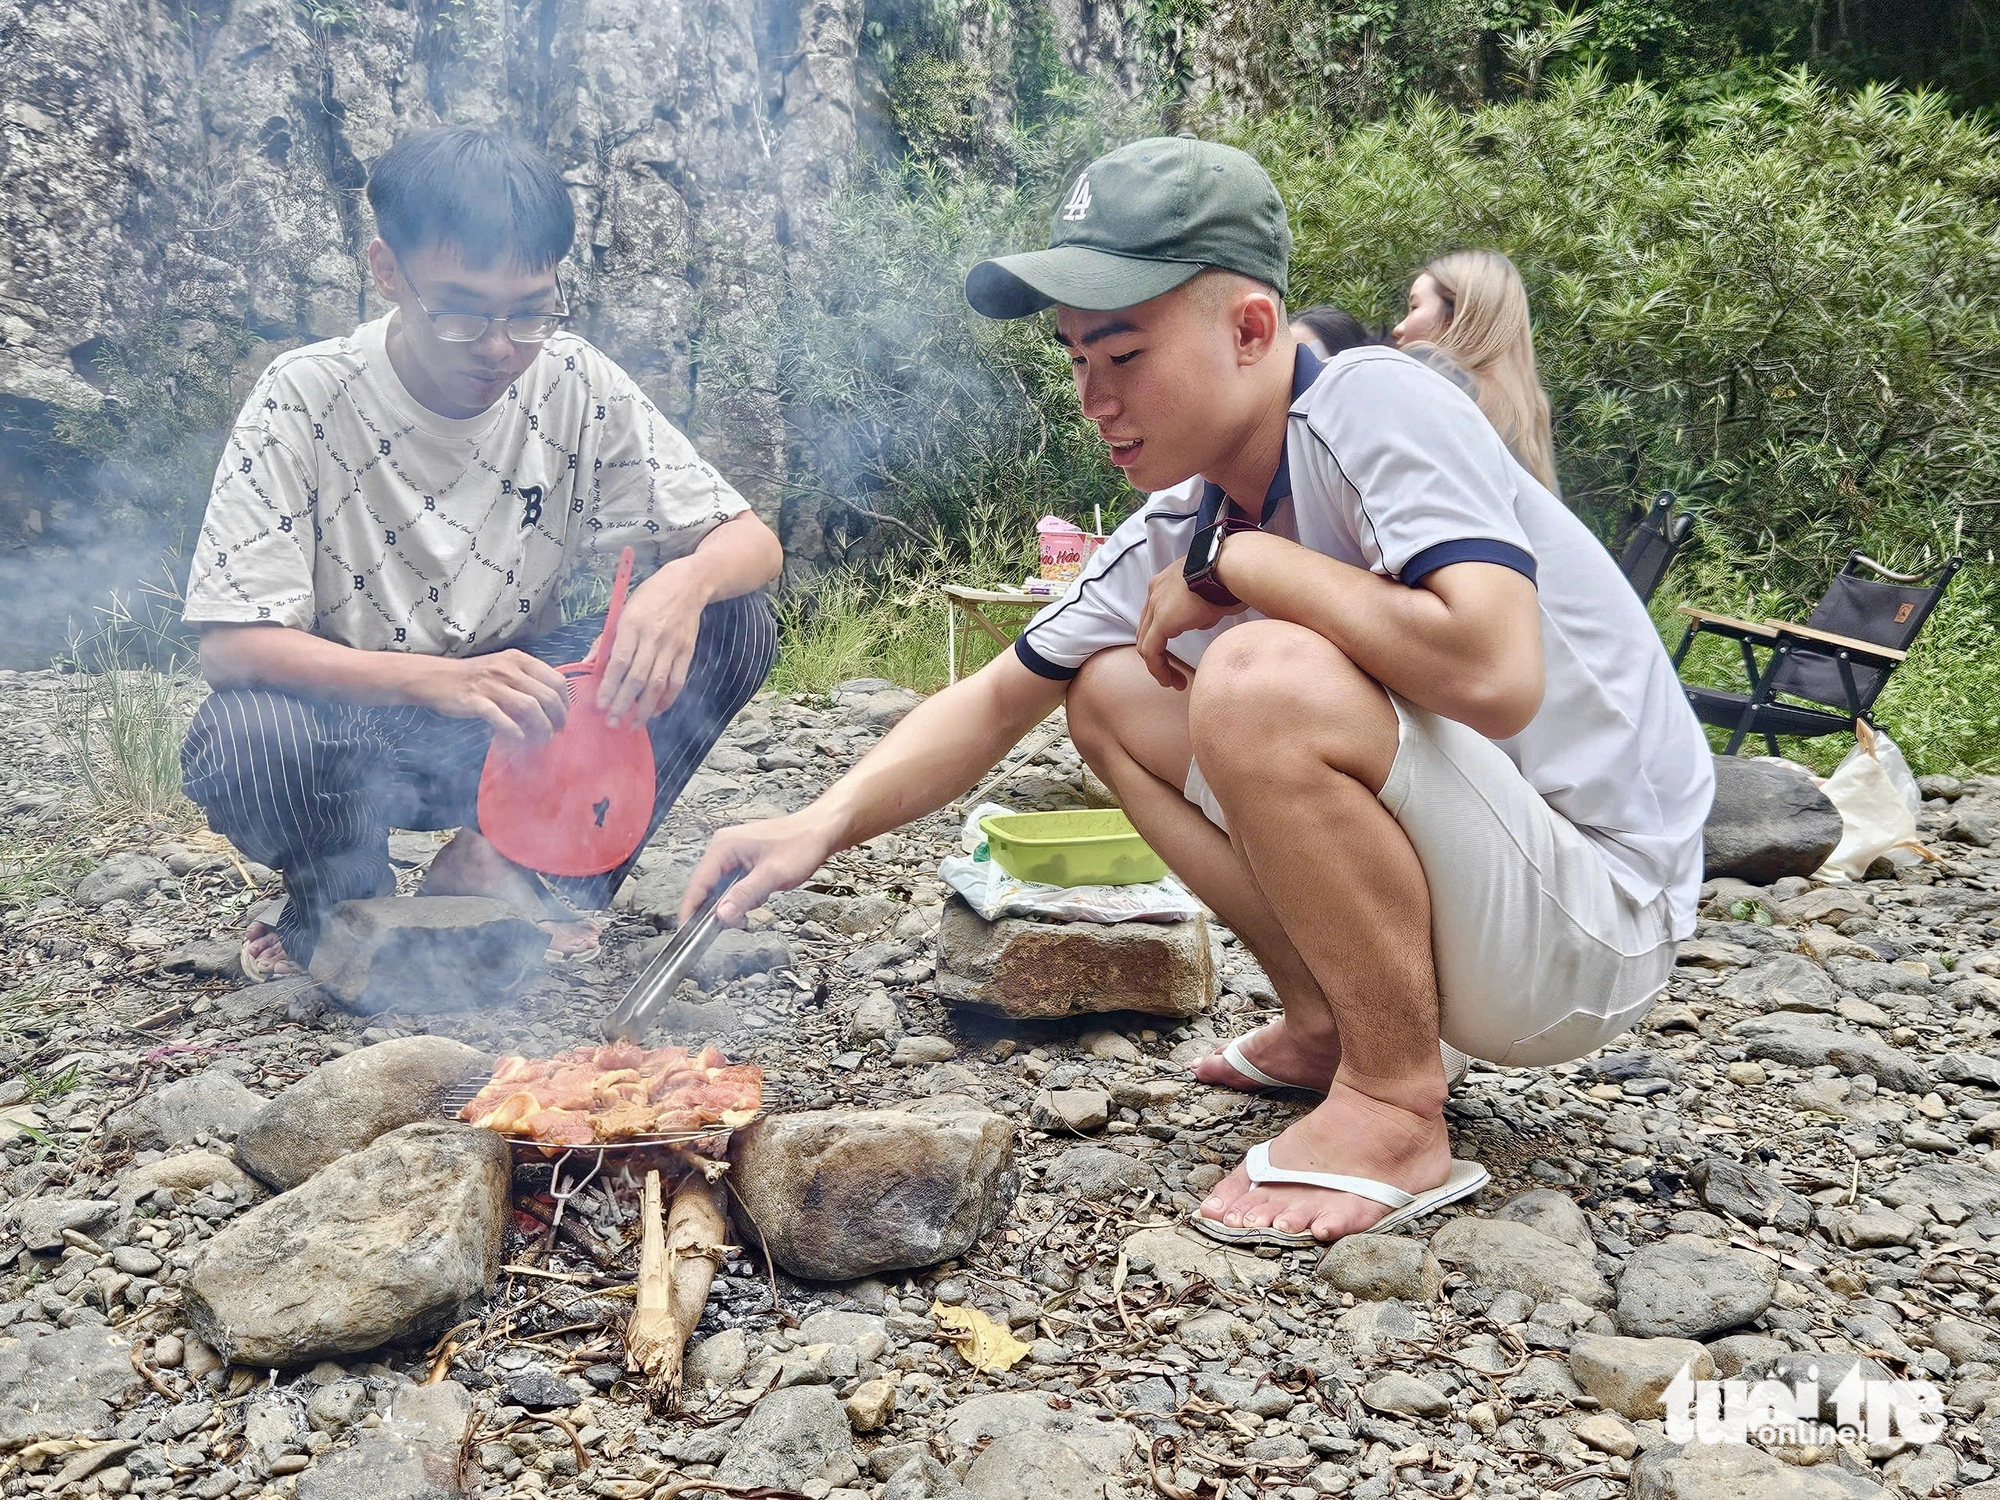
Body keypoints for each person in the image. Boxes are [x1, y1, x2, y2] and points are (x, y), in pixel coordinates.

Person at [680, 137, 1712, 1247]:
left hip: (1591, 920)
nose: (1092, 397)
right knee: (1110, 694)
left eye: (1121, 354)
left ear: (1250, 330)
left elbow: (1496, 674)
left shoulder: (1374, 403)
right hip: (1484, 900)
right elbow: (992, 702)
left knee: (1257, 672)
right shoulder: (1185, 515)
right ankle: (1328, 1022)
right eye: (1075, 360)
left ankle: (1396, 1104)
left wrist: (1250, 572)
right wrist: (813, 824)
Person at [179, 127, 782, 978]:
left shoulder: (571, 379)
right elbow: (231, 644)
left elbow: (752, 541)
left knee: (732, 619)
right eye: (461, 309)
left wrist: (682, 582)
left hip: (519, 723)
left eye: (531, 310)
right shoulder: (305, 395)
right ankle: (339, 899)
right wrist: (438, 680)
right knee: (243, 733)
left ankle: (515, 866)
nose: (501, 345)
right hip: (353, 727)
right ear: (387, 272)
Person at [1393, 250, 1559, 492]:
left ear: (1457, 314)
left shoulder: (1425, 371)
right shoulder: (1527, 415)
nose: (1399, 328)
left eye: (1414, 307)